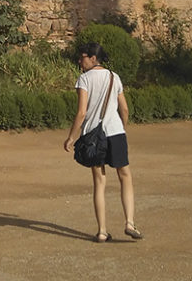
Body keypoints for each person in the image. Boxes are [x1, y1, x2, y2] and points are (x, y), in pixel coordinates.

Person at [63, 42, 142, 243]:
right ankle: (130, 223)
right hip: (115, 132)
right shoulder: (114, 77)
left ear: (93, 58)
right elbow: (124, 109)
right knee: (125, 176)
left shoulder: (84, 79)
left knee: (99, 182)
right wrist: (121, 128)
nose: (80, 61)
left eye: (82, 57)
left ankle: (101, 231)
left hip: (93, 135)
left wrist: (72, 137)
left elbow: (82, 112)